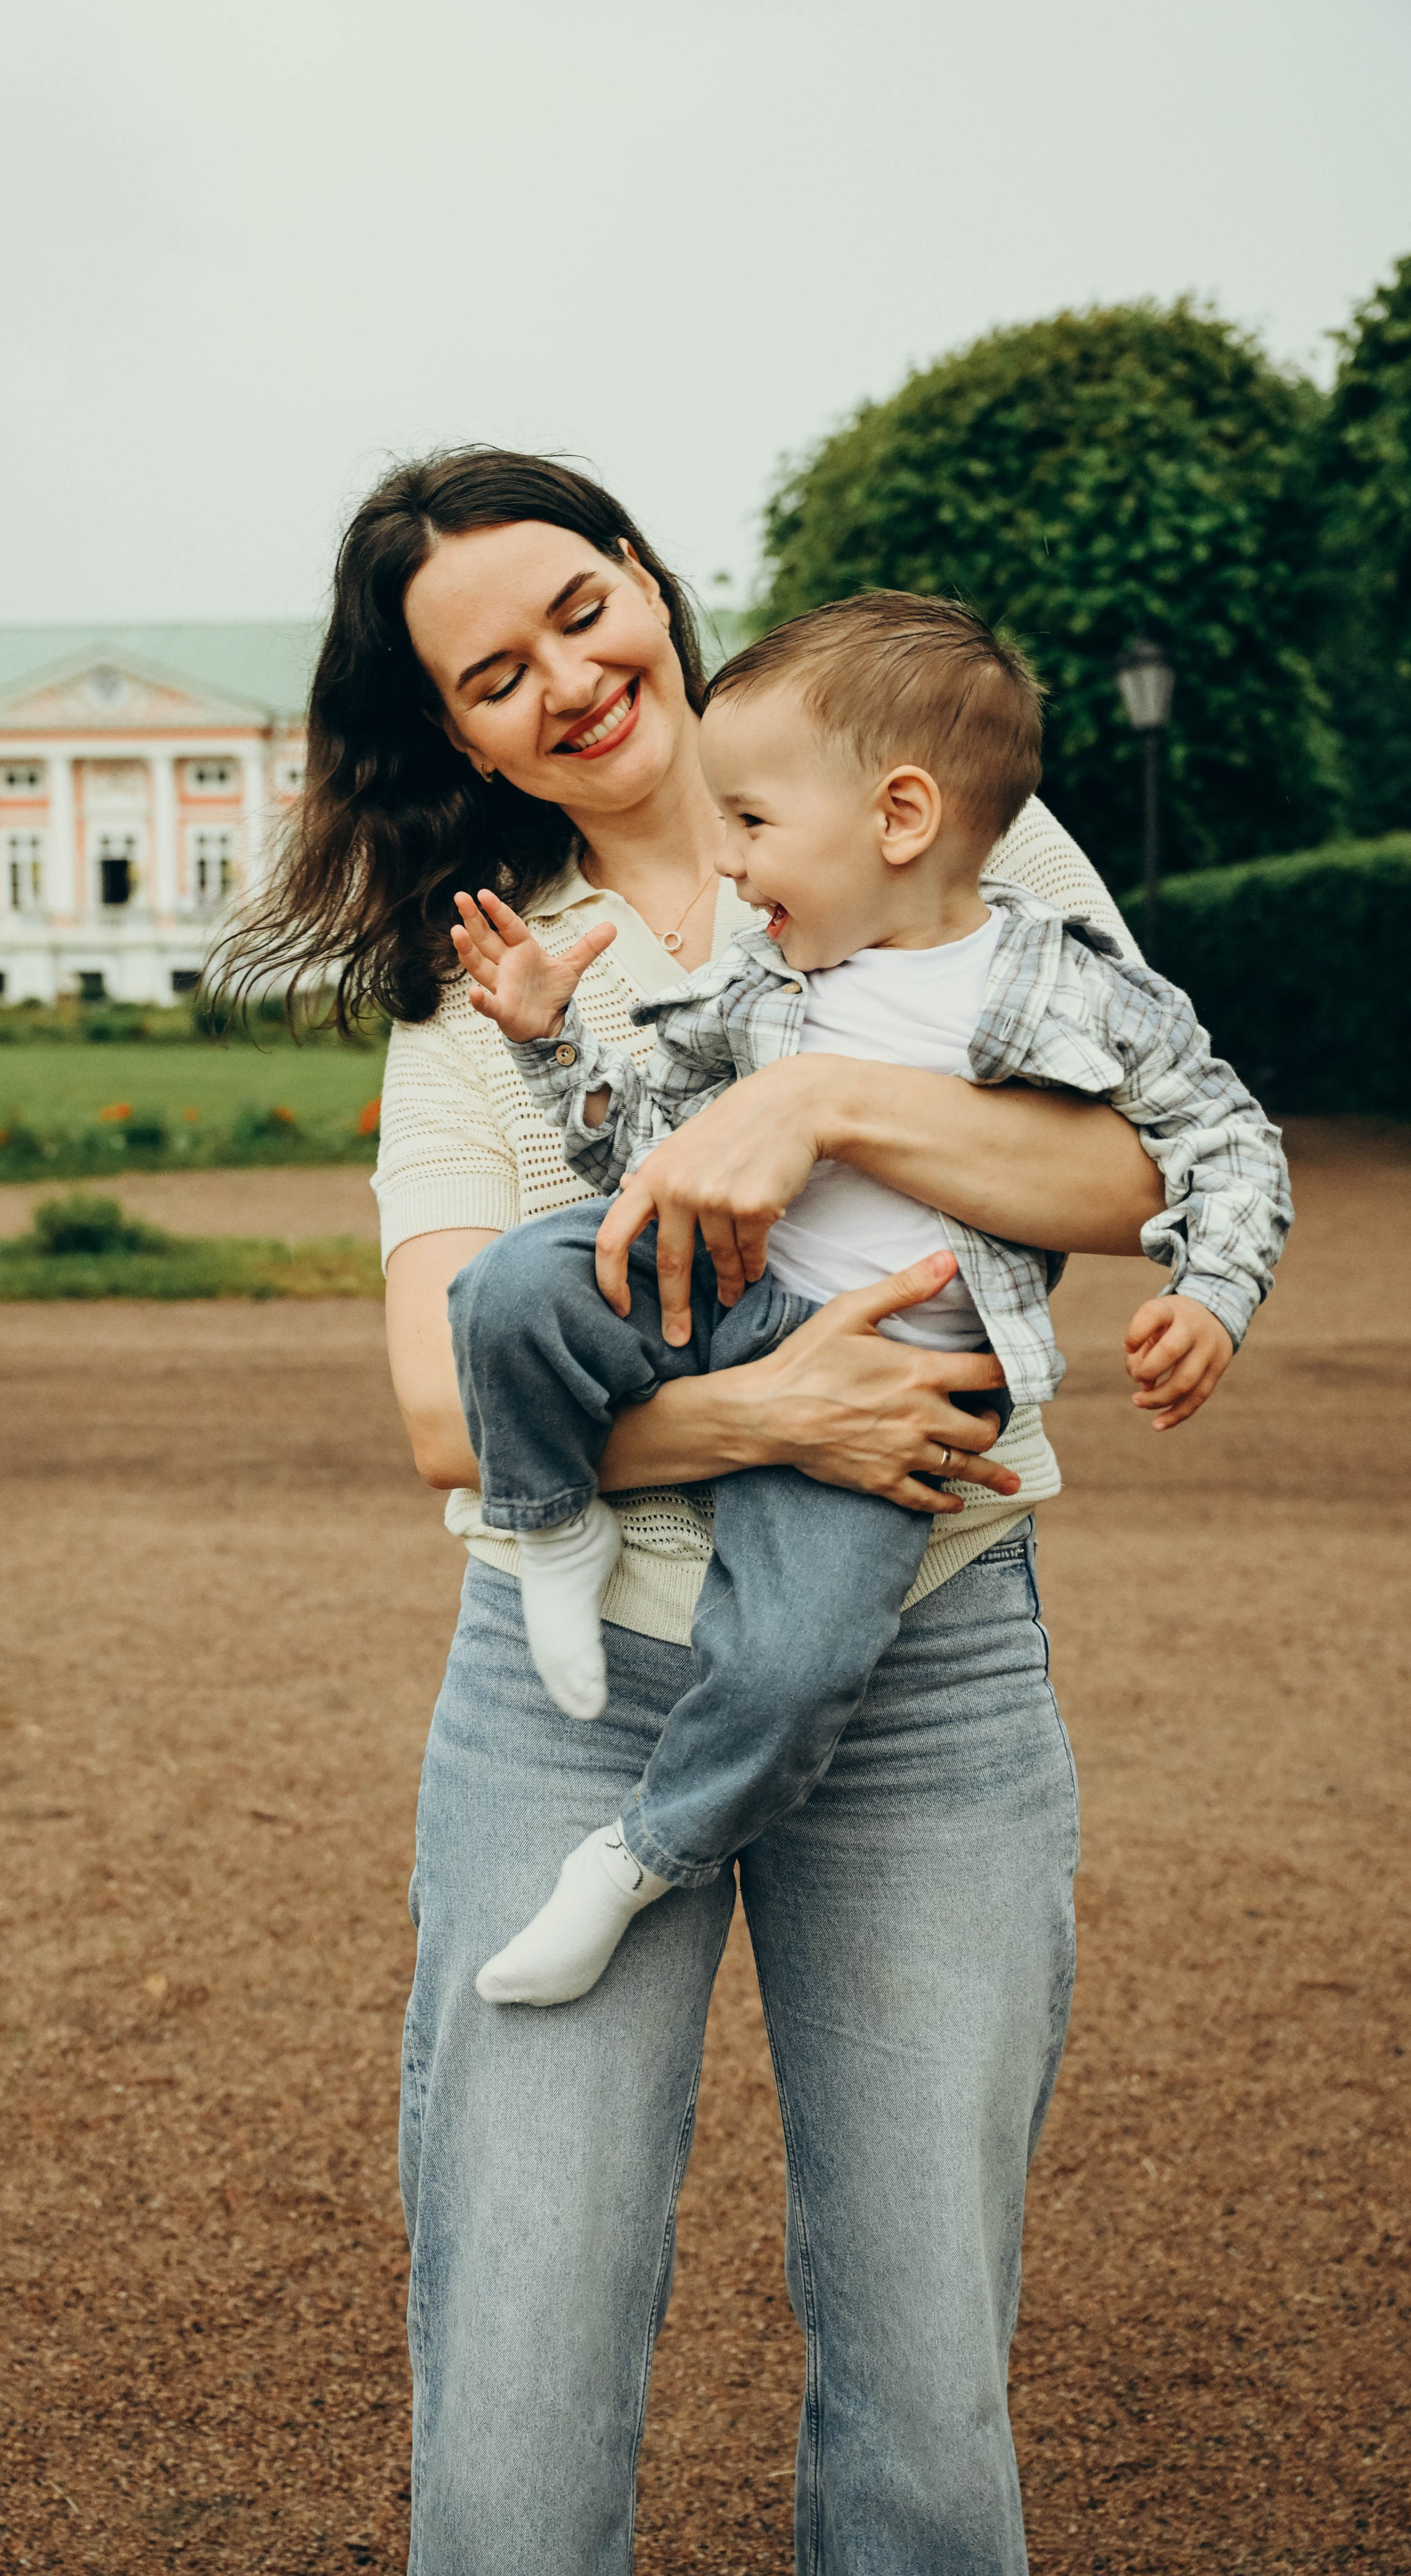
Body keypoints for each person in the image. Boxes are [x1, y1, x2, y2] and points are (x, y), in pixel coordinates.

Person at [217, 447, 1178, 2576]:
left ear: (652, 577)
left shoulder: (929, 802)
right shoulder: (481, 985)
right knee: (521, 2375)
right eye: (492, 673)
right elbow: (433, 1401)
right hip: (574, 1707)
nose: (566, 675)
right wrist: (765, 1411)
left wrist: (823, 1098)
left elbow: (1133, 1175)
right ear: (453, 734)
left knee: (931, 2377)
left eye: (582, 604)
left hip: (932, 1666)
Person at [445, 592, 1289, 2008]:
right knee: (506, 1286)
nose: (723, 858)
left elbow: (1225, 1140)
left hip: (899, 1395)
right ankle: (550, 1533)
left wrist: (1210, 1292)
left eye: (752, 823)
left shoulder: (1065, 992)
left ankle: (634, 1858)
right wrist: (551, 1045)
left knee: (788, 1670)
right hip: (721, 1304)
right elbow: (646, 1144)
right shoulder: (767, 975)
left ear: (898, 817)